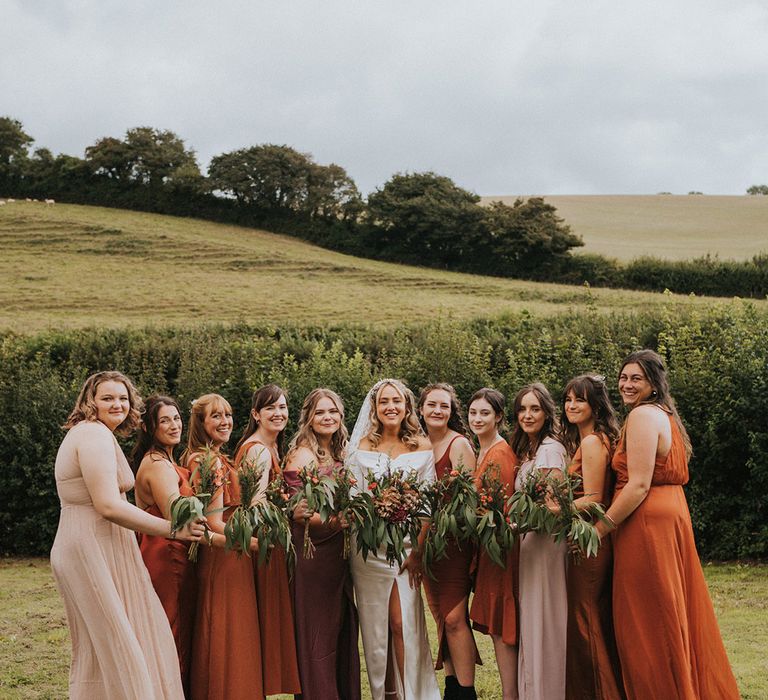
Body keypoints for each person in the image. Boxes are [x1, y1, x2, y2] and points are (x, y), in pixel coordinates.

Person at [50, 371, 204, 700]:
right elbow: (107, 505)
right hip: (89, 547)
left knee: (112, 648)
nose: (117, 404)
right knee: (122, 646)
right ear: (89, 402)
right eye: (107, 398)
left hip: (101, 544)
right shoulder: (92, 435)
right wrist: (172, 529)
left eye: (122, 398)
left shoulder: (98, 434)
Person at [596, 350, 740, 699]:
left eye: (636, 379)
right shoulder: (664, 414)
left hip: (646, 520)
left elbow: (640, 483)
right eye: (623, 377)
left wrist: (600, 528)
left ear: (653, 383)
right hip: (668, 514)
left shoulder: (644, 416)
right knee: (666, 608)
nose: (627, 384)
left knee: (646, 619)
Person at [347, 378, 440, 700]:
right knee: (376, 627)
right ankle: (385, 693)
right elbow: (354, 498)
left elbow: (428, 504)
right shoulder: (360, 447)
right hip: (369, 551)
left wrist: (419, 551)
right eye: (384, 401)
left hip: (407, 549)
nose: (390, 407)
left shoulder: (422, 447)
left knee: (402, 626)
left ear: (407, 407)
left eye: (396, 401)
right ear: (375, 408)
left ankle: (410, 694)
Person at [185, 393, 264, 700]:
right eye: (215, 416)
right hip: (225, 555)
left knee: (230, 635)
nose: (225, 421)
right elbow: (213, 522)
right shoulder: (208, 461)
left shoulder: (208, 457)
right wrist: (256, 542)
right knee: (228, 635)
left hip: (229, 553)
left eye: (228, 415)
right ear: (201, 423)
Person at [283, 388, 361, 700]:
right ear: (309, 419)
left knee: (338, 630)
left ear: (341, 416)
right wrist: (337, 520)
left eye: (332, 412)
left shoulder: (341, 452)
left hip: (338, 558)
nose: (327, 417)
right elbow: (297, 511)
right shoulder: (302, 454)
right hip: (313, 556)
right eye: (320, 412)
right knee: (317, 635)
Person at [233, 384, 301, 697]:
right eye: (270, 408)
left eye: (283, 407)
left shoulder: (270, 447)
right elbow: (256, 504)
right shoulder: (258, 449)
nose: (278, 413)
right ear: (256, 414)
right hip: (262, 545)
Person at [560, 376, 624, 700]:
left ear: (594, 404)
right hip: (586, 539)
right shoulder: (589, 439)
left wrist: (551, 508)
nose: (571, 405)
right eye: (568, 399)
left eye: (579, 400)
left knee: (587, 621)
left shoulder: (592, 442)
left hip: (590, 542)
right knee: (588, 619)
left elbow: (596, 498)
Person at [132, 395, 198, 696]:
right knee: (174, 630)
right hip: (166, 554)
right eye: (165, 420)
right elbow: (177, 515)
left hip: (175, 551)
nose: (174, 425)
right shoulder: (157, 464)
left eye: (177, 418)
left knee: (179, 626)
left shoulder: (168, 459)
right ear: (150, 427)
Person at [418, 383, 481, 700]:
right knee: (442, 616)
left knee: (456, 617)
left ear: (451, 410)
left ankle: (466, 692)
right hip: (425, 543)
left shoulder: (459, 445)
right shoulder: (415, 444)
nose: (437, 410)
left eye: (444, 405)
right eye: (432, 404)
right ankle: (452, 687)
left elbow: (471, 501)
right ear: (422, 409)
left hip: (454, 541)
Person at [512, 382, 568, 700]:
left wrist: (515, 526)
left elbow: (554, 508)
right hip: (530, 544)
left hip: (545, 544)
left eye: (535, 408)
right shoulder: (531, 449)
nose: (528, 414)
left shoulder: (549, 449)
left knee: (546, 618)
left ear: (547, 412)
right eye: (522, 408)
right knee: (533, 619)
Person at [467, 387, 518, 700]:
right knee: (499, 628)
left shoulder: (499, 454)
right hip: (489, 548)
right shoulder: (482, 451)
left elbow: (500, 510)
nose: (477, 418)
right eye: (473, 412)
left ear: (499, 417)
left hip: (499, 548)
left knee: (502, 628)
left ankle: (511, 695)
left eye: (485, 413)